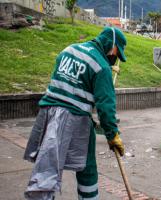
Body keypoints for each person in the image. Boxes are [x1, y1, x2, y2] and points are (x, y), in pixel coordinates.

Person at [23, 27, 127, 200]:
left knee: (47, 166)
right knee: (87, 168)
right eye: (117, 54)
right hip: (75, 119)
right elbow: (106, 108)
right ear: (113, 47)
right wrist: (112, 135)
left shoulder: (68, 49)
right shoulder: (101, 67)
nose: (115, 58)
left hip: (48, 114)